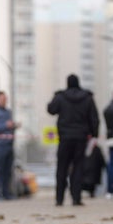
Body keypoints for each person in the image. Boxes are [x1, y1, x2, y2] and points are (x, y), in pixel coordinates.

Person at [47, 73, 100, 206]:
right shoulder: (87, 97)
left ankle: (59, 199)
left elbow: (51, 110)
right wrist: (94, 135)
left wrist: (55, 97)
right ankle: (76, 198)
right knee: (78, 168)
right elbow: (94, 118)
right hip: (81, 138)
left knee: (62, 168)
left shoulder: (60, 96)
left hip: (64, 138)